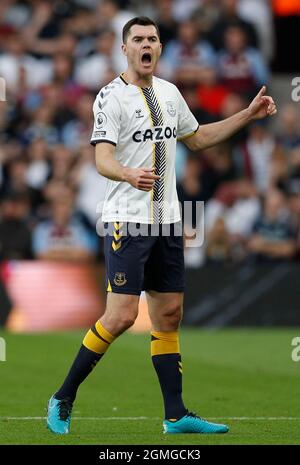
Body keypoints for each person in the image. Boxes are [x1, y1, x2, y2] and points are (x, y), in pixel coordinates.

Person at [46, 16, 277, 435]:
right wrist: (127, 174)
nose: (146, 44)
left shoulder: (170, 93)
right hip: (128, 221)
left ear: (159, 47)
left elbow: (198, 137)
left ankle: (176, 416)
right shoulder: (110, 97)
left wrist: (246, 115)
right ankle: (63, 395)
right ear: (125, 48)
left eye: (152, 38)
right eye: (138, 39)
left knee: (169, 314)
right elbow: (101, 158)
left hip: (169, 220)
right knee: (119, 317)